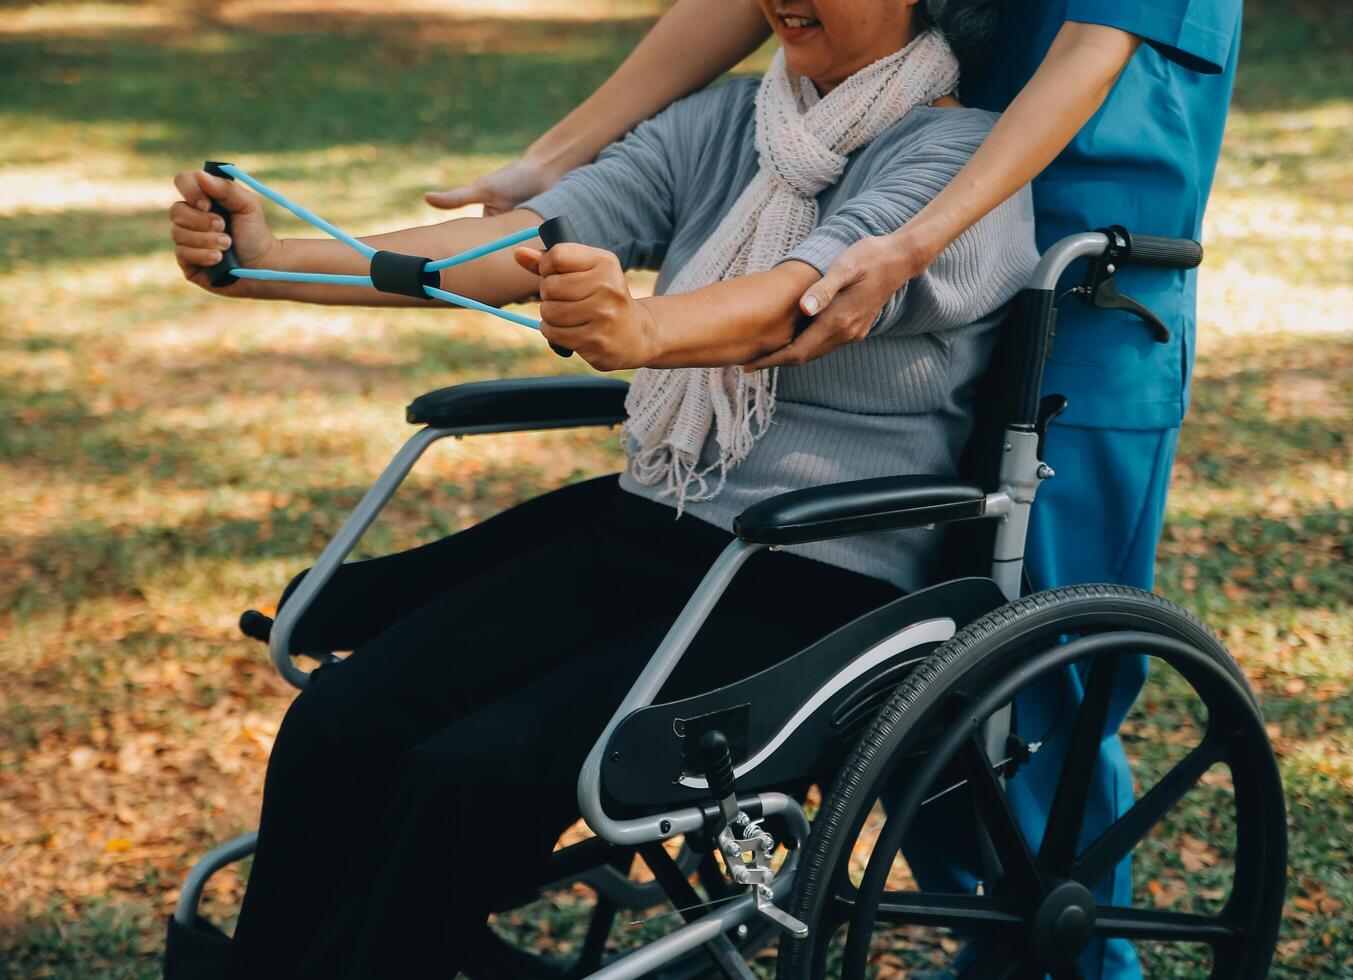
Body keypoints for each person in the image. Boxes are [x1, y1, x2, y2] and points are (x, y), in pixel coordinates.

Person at [167, 0, 1037, 975]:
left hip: (813, 579)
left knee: (471, 774)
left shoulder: (961, 161)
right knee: (340, 722)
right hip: (654, 524)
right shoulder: (726, 122)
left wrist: (645, 331)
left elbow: (806, 294)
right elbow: (510, 245)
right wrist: (270, 260)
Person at [425, 1, 1243, 977]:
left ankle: (1072, 963)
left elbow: (1089, 54)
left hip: (1072, 305)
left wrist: (922, 236)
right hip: (883, 217)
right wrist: (557, 155)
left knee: (1036, 702)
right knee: (894, 687)